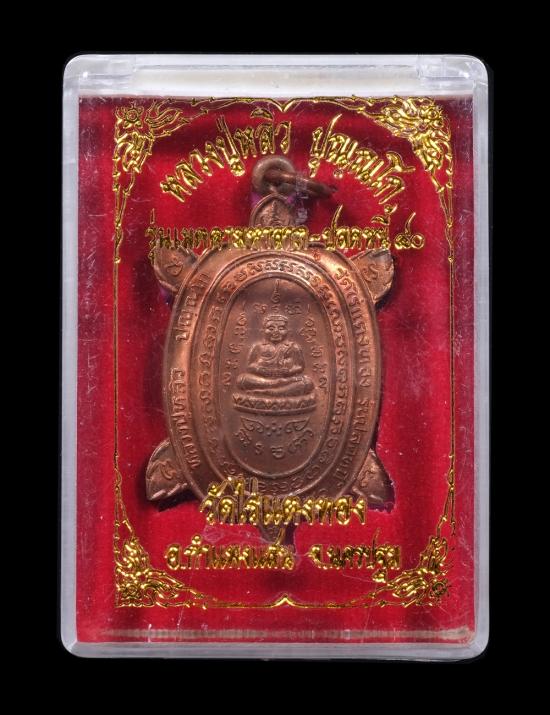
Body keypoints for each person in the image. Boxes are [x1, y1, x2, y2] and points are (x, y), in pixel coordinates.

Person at [237, 315, 314, 397]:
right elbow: (250, 366)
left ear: (288, 331)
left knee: (307, 382)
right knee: (242, 379)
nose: (276, 331)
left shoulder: (293, 347)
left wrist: (289, 371)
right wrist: (260, 370)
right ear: (263, 331)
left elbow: (300, 366)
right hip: (263, 380)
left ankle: (268, 392)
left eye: (281, 328)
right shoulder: (257, 346)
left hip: (287, 378)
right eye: (271, 329)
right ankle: (277, 386)